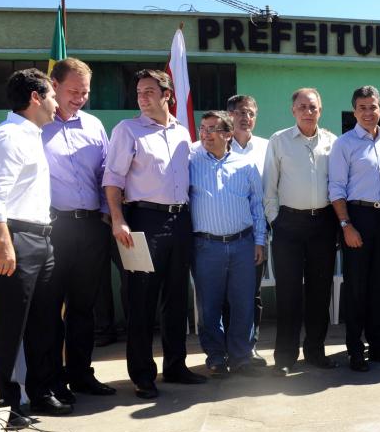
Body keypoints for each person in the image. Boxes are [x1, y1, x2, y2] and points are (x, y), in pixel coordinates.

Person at [103, 69, 207, 399]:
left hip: (180, 222)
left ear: (167, 95)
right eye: (139, 92)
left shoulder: (182, 133)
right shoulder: (127, 130)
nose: (143, 97)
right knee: (142, 300)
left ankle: (176, 365)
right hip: (142, 220)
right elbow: (112, 180)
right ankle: (143, 374)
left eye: (149, 91)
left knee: (176, 298)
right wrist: (118, 219)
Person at [0, 68, 68, 427]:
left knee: (44, 321)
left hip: (40, 238)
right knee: (8, 324)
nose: (56, 103)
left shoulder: (31, 136)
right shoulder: (7, 137)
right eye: (52, 96)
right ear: (35, 98)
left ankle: (41, 391)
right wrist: (3, 242)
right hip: (14, 238)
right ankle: (4, 402)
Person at [41, 58, 116, 403]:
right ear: (53, 85)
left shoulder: (94, 125)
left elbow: (106, 175)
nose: (79, 98)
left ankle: (82, 375)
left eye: (84, 92)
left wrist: (106, 215)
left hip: (90, 228)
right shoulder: (37, 127)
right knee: (51, 309)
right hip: (52, 229)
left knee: (84, 308)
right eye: (73, 91)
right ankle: (52, 382)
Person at [263, 88, 339, 376]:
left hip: (322, 224)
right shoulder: (279, 141)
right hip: (288, 226)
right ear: (293, 110)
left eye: (313, 107)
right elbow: (269, 184)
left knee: (320, 292)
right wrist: (275, 220)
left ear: (320, 110)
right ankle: (285, 356)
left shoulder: (332, 142)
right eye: (303, 107)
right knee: (289, 292)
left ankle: (316, 351)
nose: (308, 111)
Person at [329, 85, 380, 371]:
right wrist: (346, 225)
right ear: (354, 111)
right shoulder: (344, 144)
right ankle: (355, 350)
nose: (368, 112)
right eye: (362, 108)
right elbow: (335, 188)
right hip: (357, 218)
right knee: (357, 289)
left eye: (372, 107)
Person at [189, 111, 267, 377]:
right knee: (209, 305)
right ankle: (216, 356)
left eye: (212, 129)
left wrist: (259, 241)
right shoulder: (191, 161)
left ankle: (241, 356)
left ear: (228, 134)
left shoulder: (245, 165)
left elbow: (258, 206)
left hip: (243, 244)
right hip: (206, 246)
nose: (206, 134)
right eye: (203, 128)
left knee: (242, 302)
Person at [226, 95, 269, 348]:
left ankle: (249, 348)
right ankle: (225, 349)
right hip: (223, 232)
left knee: (251, 293)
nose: (246, 118)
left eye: (251, 113)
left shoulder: (266, 147)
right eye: (240, 112)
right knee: (225, 295)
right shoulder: (214, 146)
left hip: (256, 234)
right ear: (229, 115)